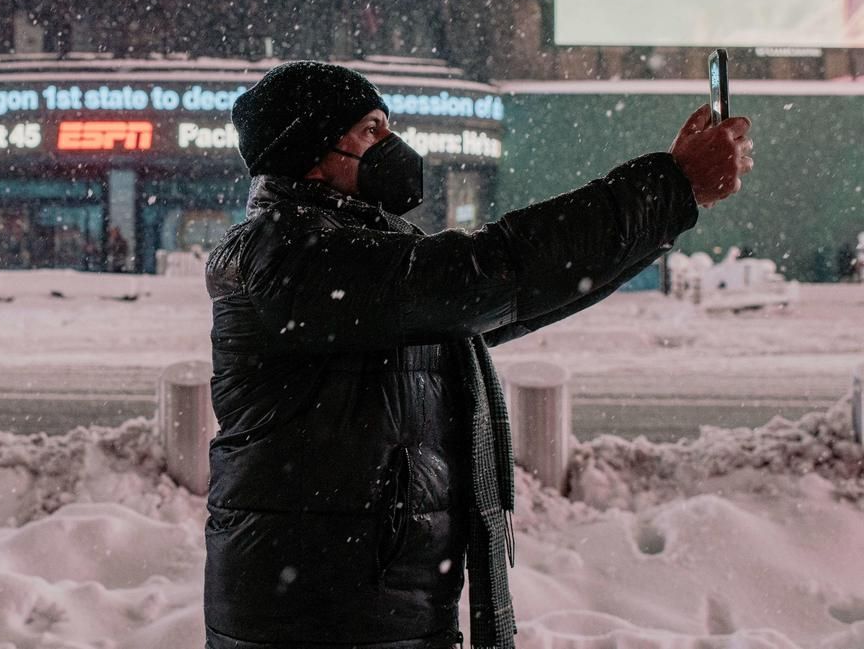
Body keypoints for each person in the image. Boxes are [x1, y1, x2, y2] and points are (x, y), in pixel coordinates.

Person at [204, 61, 753, 649]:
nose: (390, 143)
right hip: (317, 618)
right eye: (370, 129)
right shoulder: (287, 252)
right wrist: (668, 186)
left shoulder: (357, 251)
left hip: (366, 604)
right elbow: (488, 273)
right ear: (312, 151)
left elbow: (513, 298)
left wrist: (664, 212)